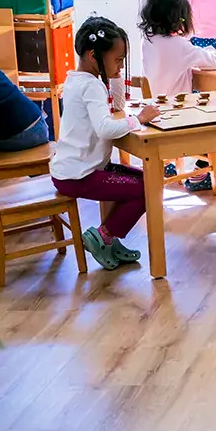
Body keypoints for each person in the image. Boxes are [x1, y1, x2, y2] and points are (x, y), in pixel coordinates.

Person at [50, 16, 160, 271]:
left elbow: (117, 106)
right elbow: (105, 128)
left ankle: (109, 238)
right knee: (147, 188)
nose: (120, 65)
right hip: (79, 175)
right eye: (118, 60)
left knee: (148, 179)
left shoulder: (77, 79)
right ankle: (103, 236)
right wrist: (139, 119)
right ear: (93, 56)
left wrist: (115, 77)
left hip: (76, 168)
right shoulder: (91, 86)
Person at [138, 0, 216, 190]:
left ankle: (169, 164)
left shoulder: (148, 40)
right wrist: (210, 49)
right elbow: (212, 61)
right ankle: (200, 174)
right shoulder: (180, 46)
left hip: (156, 113)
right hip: (180, 115)